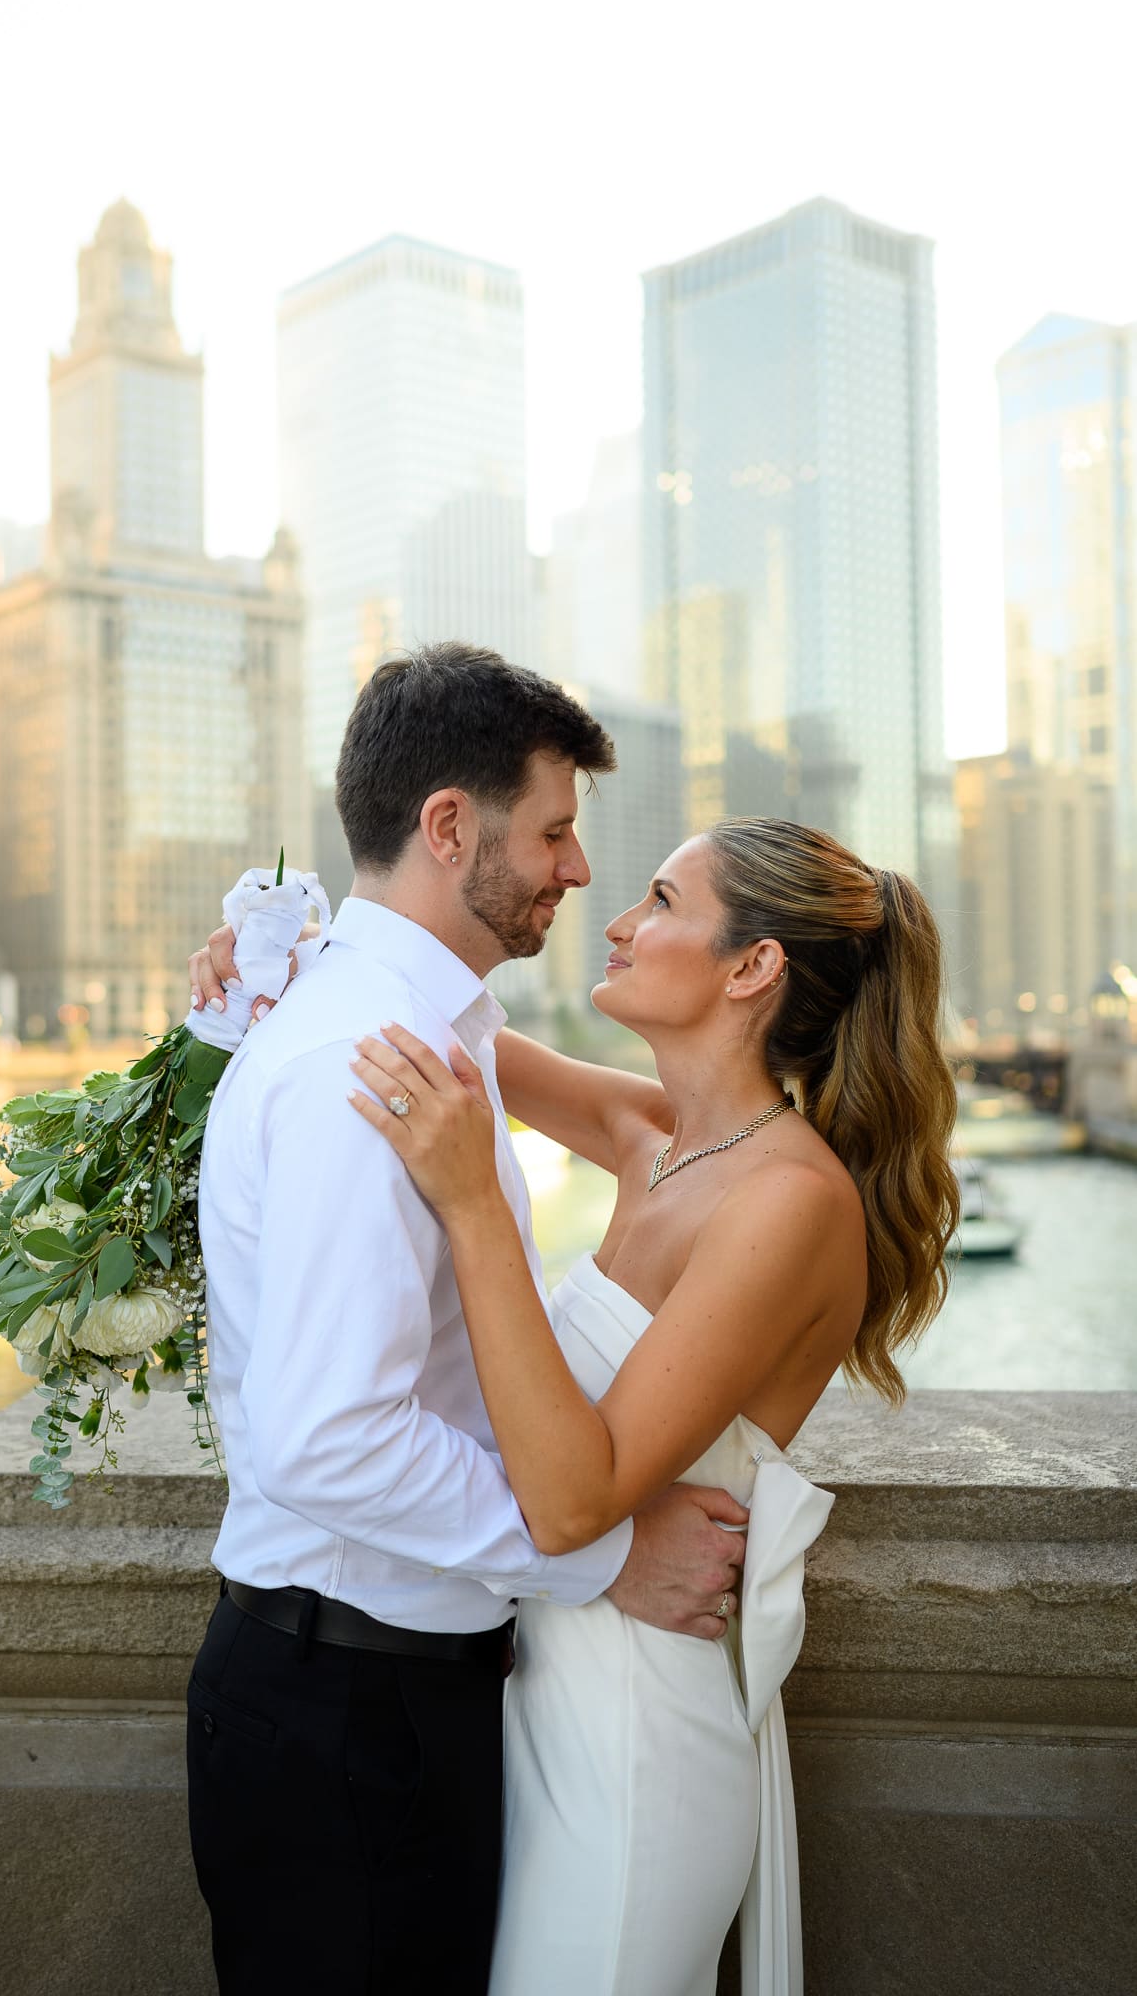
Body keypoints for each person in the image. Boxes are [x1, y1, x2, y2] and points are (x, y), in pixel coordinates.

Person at [184, 644, 752, 1996]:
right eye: (554, 830)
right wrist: (599, 1556)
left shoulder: (415, 1031)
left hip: (391, 1700)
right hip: (343, 1724)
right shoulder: (359, 1065)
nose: (577, 870)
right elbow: (328, 1441)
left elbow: (678, 1132)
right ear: (451, 826)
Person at [345, 818, 959, 1993]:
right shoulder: (654, 1136)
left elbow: (575, 1498)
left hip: (637, 1742)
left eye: (663, 899)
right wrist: (271, 952)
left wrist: (477, 1204)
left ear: (751, 967)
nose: (619, 921)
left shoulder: (788, 1202)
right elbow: (430, 1025)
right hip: (533, 1694)